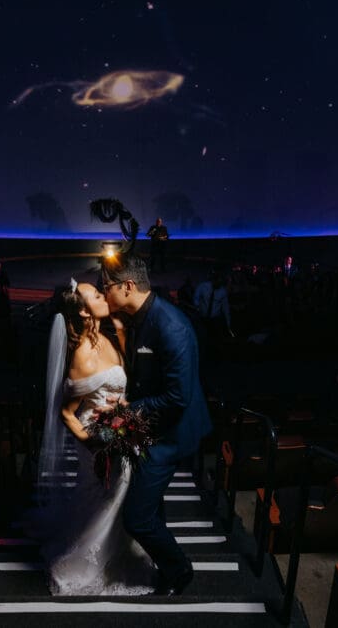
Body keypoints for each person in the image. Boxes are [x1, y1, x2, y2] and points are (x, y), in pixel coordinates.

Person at [31, 280, 155, 596]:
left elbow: (118, 389)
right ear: (85, 311)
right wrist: (97, 444)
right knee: (107, 494)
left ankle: (122, 551)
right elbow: (67, 414)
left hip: (118, 430)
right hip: (97, 439)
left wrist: (126, 413)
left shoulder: (108, 337)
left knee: (121, 494)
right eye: (97, 295)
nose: (103, 294)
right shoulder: (82, 356)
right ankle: (86, 562)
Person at [101, 254, 212, 596]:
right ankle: (166, 565)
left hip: (171, 435)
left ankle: (179, 573)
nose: (105, 294)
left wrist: (130, 409)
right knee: (150, 508)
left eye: (107, 287)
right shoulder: (137, 317)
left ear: (128, 286)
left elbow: (177, 397)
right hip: (153, 427)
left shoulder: (171, 326)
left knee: (137, 519)